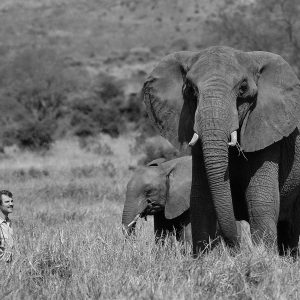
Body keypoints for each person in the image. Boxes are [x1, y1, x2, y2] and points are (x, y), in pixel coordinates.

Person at [0, 190, 14, 262]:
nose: (11, 204)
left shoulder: (9, 222)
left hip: (8, 269)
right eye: (7, 202)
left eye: (12, 201)